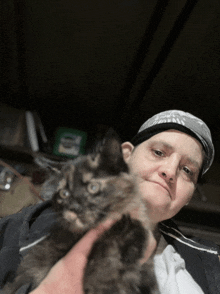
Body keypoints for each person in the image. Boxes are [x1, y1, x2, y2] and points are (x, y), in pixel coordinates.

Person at [0, 110, 219, 294]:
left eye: (187, 170)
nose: (170, 171)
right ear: (125, 156)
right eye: (159, 152)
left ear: (189, 196)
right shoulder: (21, 229)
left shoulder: (209, 266)